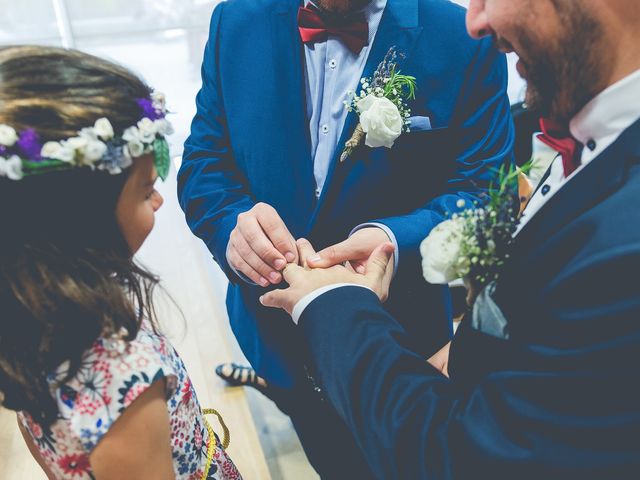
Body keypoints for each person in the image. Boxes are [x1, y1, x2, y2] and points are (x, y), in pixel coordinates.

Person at [260, 0, 640, 477]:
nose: (477, 20)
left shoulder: (627, 246)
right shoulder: (600, 141)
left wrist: (334, 303)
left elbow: (458, 461)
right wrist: (468, 352)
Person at [178, 0, 514, 475]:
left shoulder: (463, 35)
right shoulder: (237, 19)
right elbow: (204, 159)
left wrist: (392, 238)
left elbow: (484, 193)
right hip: (274, 334)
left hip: (402, 342)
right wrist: (231, 224)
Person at [0, 46, 240, 480]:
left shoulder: (28, 312)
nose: (159, 199)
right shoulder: (123, 376)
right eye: (146, 189)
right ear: (79, 216)